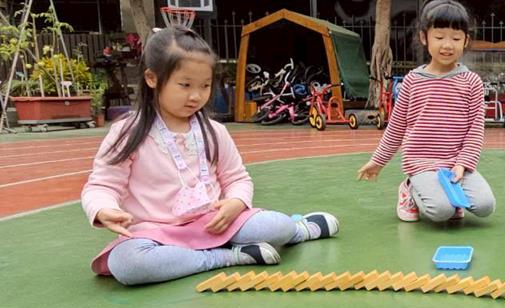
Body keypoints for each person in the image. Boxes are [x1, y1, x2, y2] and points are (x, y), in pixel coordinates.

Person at [82, 27, 338, 285]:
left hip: (214, 223)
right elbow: (101, 185)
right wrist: (104, 209)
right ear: (152, 78)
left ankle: (297, 230)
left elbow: (237, 179)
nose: (196, 96)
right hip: (153, 234)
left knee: (274, 227)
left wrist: (236, 202)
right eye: (184, 85)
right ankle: (224, 257)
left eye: (205, 86)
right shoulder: (127, 132)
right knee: (128, 265)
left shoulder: (214, 131)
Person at [356, 0, 495, 222]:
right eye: (439, 37)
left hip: (456, 162)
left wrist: (462, 164)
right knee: (441, 212)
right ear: (424, 37)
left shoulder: (472, 82)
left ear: (466, 41)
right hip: (421, 163)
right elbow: (397, 127)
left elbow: (475, 131)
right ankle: (410, 189)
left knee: (485, 206)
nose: (447, 45)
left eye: (456, 38)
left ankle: (447, 195)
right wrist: (378, 161)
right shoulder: (412, 81)